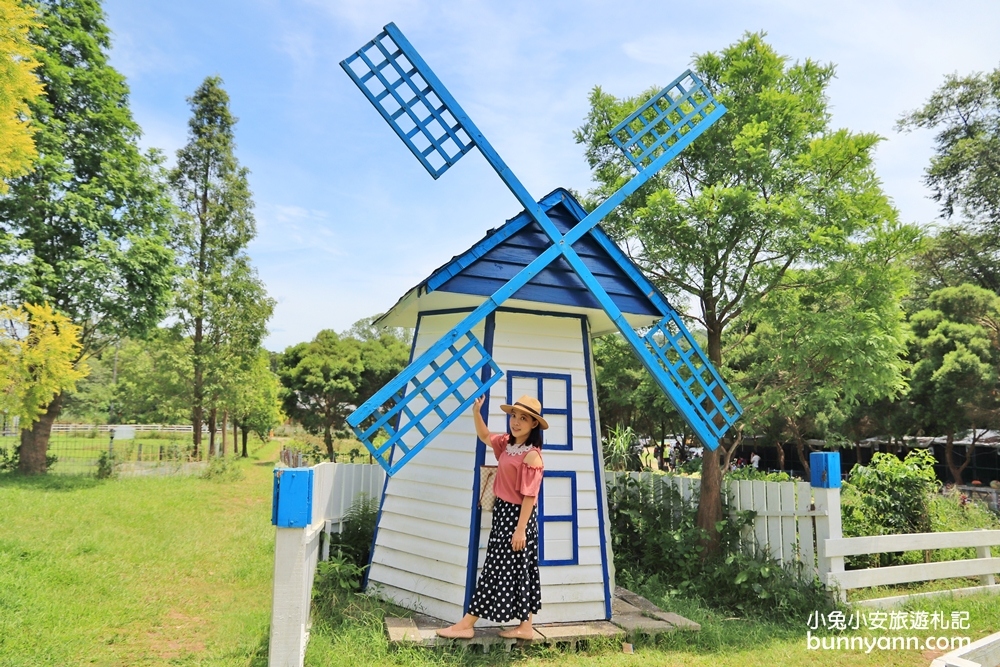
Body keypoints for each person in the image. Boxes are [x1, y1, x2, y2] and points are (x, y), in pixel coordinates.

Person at [435, 394, 546, 640]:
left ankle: (467, 623)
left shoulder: (532, 456)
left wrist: (520, 530)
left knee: (497, 569)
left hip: (518, 518)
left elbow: (529, 496)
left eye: (523, 418)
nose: (516, 422)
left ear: (534, 424)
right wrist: (476, 413)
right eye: (514, 416)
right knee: (516, 570)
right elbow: (486, 436)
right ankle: (525, 627)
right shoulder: (508, 444)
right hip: (503, 514)